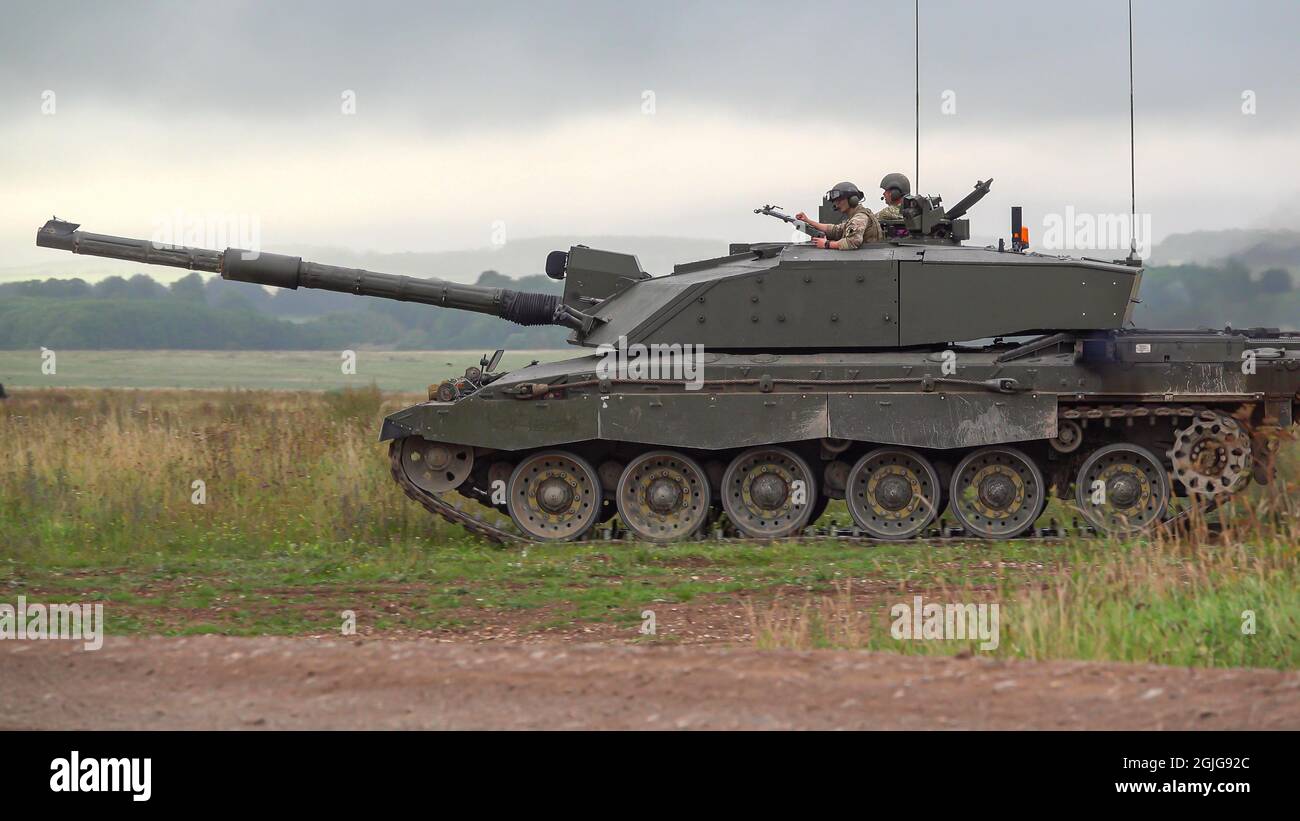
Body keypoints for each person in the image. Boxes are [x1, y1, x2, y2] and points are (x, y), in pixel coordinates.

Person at [795, 182, 882, 250]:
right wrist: (807, 221)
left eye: (839, 200)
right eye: (835, 201)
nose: (836, 204)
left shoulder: (860, 218)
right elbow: (835, 230)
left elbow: (852, 242)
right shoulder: (855, 217)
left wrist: (826, 244)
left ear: (852, 200)